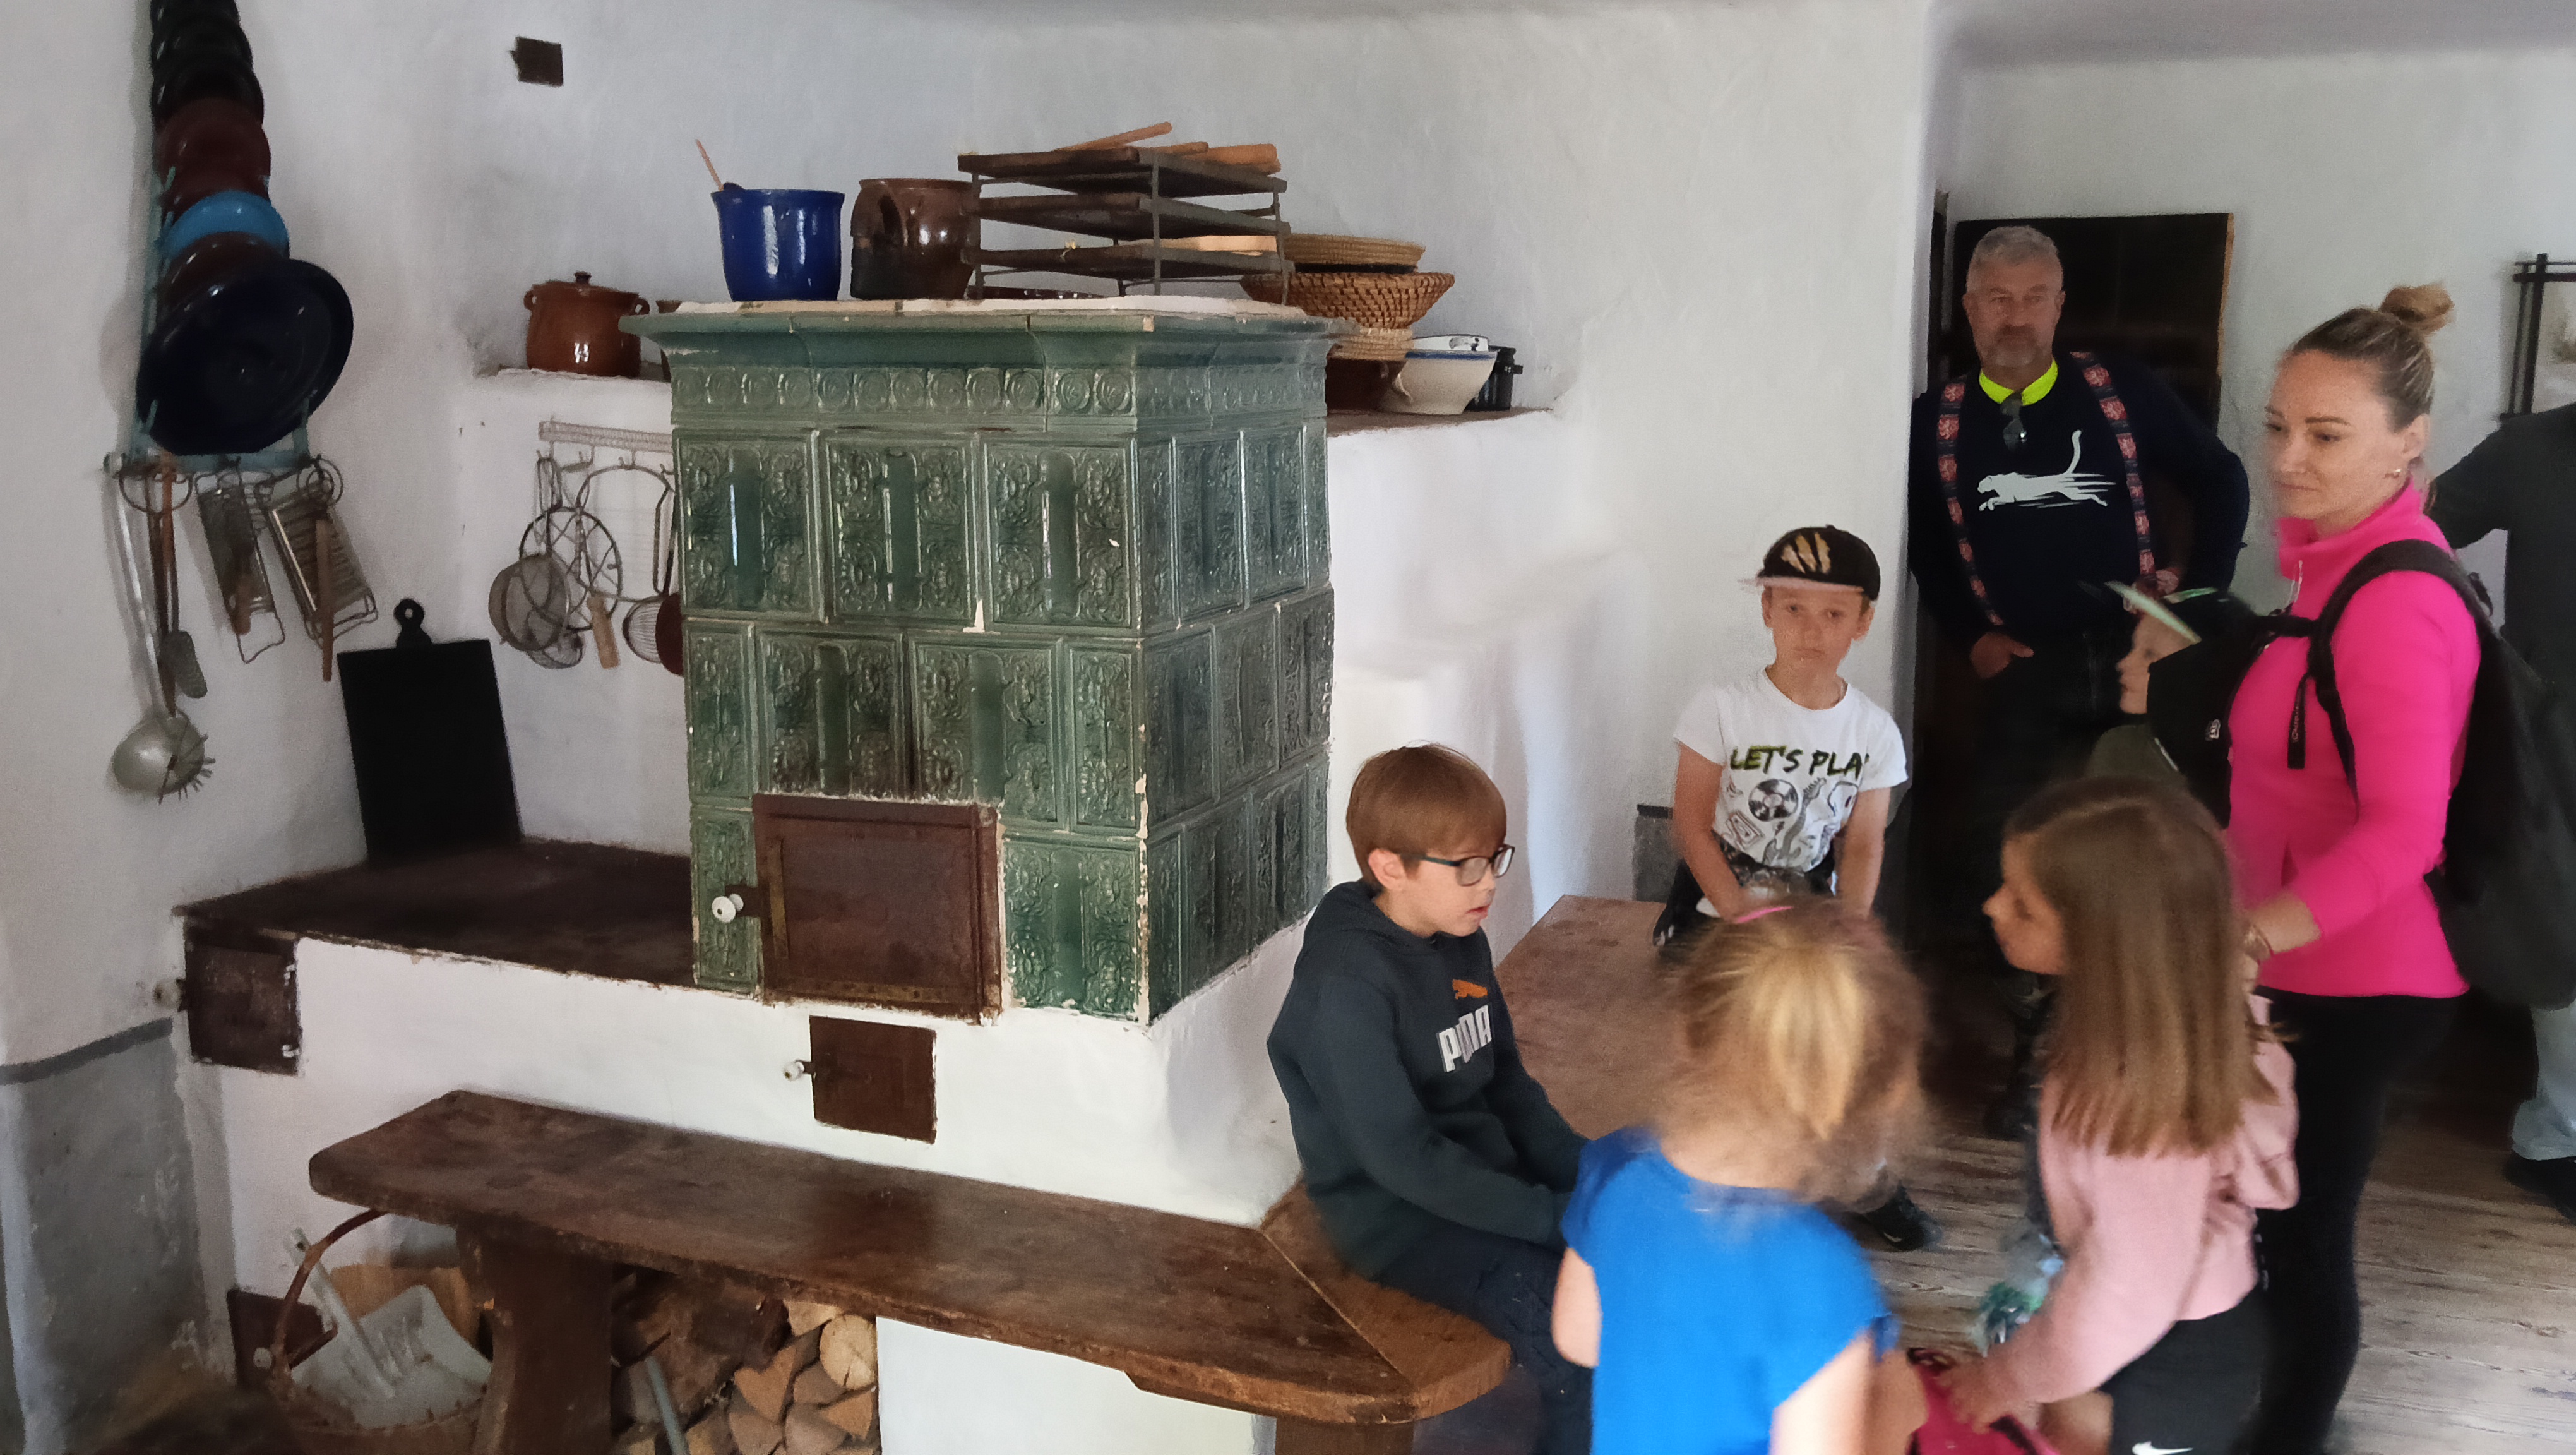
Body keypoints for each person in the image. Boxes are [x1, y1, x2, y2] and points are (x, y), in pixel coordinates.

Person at [1907, 224, 2252, 1137]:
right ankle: (2039, 1051)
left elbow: (2221, 479)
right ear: (1969, 309)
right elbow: (1927, 547)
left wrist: (2193, 601)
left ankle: (2148, 1053)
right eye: (1998, 299)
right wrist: (1970, 635)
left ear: (2060, 306)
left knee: (2150, 860)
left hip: (2141, 660)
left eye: (2034, 298)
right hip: (2029, 667)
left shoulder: (2121, 390)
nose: (2016, 318)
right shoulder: (1936, 421)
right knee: (2001, 861)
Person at [2231, 285, 2477, 1455]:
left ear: (2407, 446)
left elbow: (2402, 833)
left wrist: (2248, 939)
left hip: (2357, 976)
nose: (2288, 458)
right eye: (2279, 425)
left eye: (2326, 435)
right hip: (2311, 961)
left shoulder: (2395, 599)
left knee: (2303, 1233)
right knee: (2277, 1223)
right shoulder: (2335, 570)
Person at [1936, 778, 2298, 1455]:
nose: (1992, 906)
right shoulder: (2201, 1014)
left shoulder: (2135, 1091)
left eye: (2023, 905)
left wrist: (2006, 1377)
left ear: (2106, 940)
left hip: (2160, 1352)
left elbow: (2129, 1284)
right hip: (2175, 1327)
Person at [1268, 745, 1593, 1454]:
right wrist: (1553, 1219)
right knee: (1579, 1345)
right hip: (1402, 1224)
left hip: (1481, 1181)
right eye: (1467, 866)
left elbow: (1506, 1081)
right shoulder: (1345, 987)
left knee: (1633, 1233)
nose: (1489, 883)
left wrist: (1589, 1174)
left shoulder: (1457, 934)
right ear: (1391, 868)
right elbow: (1403, 1159)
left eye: (1494, 859)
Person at [1552, 900, 1928, 1455]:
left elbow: (1578, 1339)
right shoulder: (1820, 1276)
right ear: (1878, 1100)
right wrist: (1893, 1413)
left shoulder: (1616, 1173)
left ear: (1686, 1031)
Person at [1659, 524, 1940, 1252]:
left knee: (1839, 1042)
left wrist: (1852, 927)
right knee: (1714, 1050)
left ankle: (1865, 1179)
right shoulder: (1721, 707)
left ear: (1864, 621)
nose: (1811, 631)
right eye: (1793, 609)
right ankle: (1699, 1179)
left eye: (1833, 614)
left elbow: (1865, 841)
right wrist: (1737, 915)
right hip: (1719, 905)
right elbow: (1690, 824)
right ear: (1767, 611)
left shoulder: (1873, 732)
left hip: (1814, 912)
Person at [2424, 399, 2576, 1224]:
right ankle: (2557, 1141)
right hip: (2549, 739)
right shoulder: (2532, 448)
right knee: (2560, 929)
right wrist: (2461, 640)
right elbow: (2414, 528)